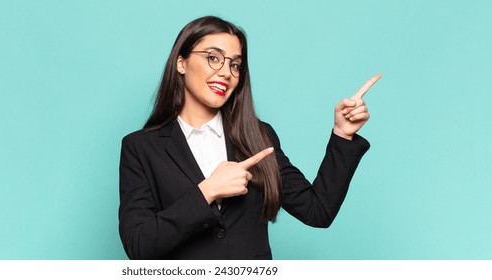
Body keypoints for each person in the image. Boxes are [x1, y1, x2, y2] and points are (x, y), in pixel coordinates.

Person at [118, 16, 379, 260]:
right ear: (181, 62)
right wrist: (207, 191)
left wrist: (342, 135)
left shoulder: (258, 136)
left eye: (235, 65)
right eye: (213, 58)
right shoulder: (140, 147)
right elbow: (138, 245)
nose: (226, 73)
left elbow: (317, 211)